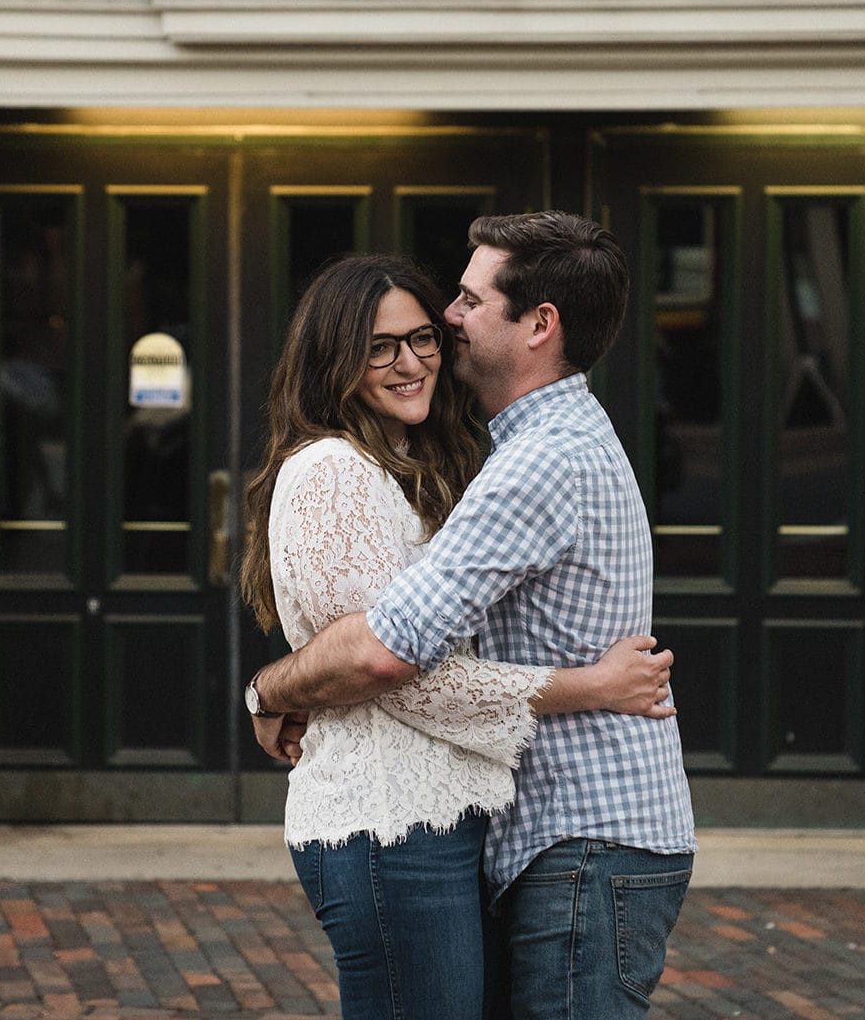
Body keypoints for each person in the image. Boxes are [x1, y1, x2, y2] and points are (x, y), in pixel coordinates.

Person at [249, 213, 698, 1020]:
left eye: (462, 301)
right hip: (520, 835)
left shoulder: (535, 459)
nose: (444, 326)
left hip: (584, 838)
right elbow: (392, 654)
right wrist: (284, 688)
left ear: (539, 323)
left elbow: (388, 648)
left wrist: (271, 687)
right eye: (384, 342)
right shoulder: (516, 446)